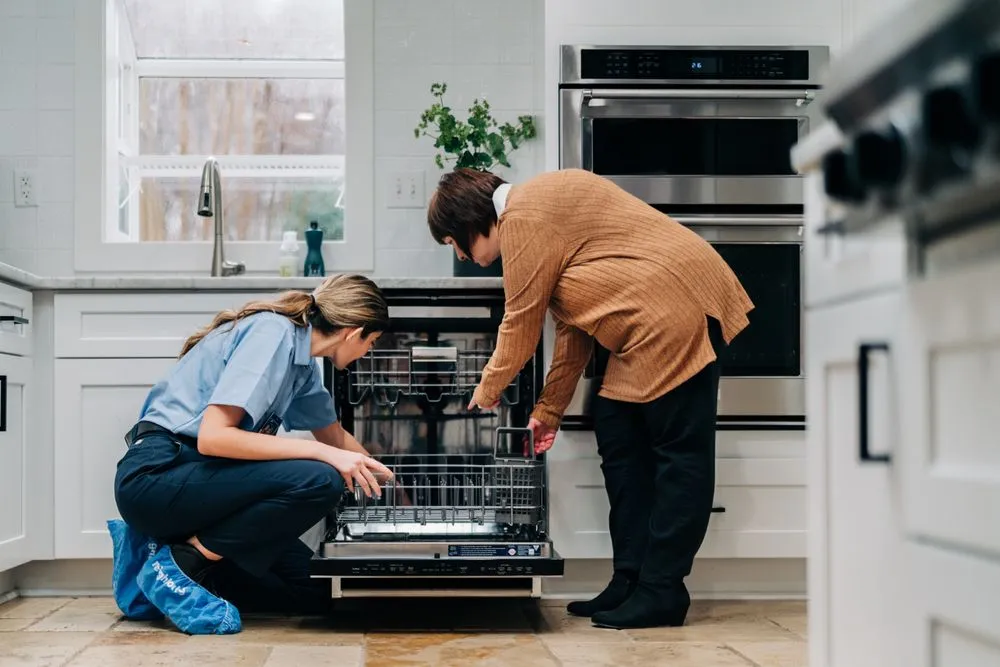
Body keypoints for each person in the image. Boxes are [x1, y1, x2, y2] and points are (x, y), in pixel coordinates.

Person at [426, 168, 754, 629]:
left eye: (454, 242)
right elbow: (573, 329)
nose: (461, 254)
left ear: (467, 220)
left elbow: (519, 321)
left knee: (679, 458)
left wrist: (485, 392)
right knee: (619, 437)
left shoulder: (522, 216)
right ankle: (630, 579)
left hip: (678, 311)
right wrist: (549, 411)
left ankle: (662, 591)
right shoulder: (535, 221)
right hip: (641, 325)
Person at [108, 274, 393, 635]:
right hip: (158, 476)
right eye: (373, 341)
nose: (368, 352)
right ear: (354, 332)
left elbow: (334, 436)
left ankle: (152, 567)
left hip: (207, 484)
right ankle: (182, 563)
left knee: (317, 593)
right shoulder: (272, 334)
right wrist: (323, 454)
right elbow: (214, 438)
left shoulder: (303, 368)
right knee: (322, 479)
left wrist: (391, 484)